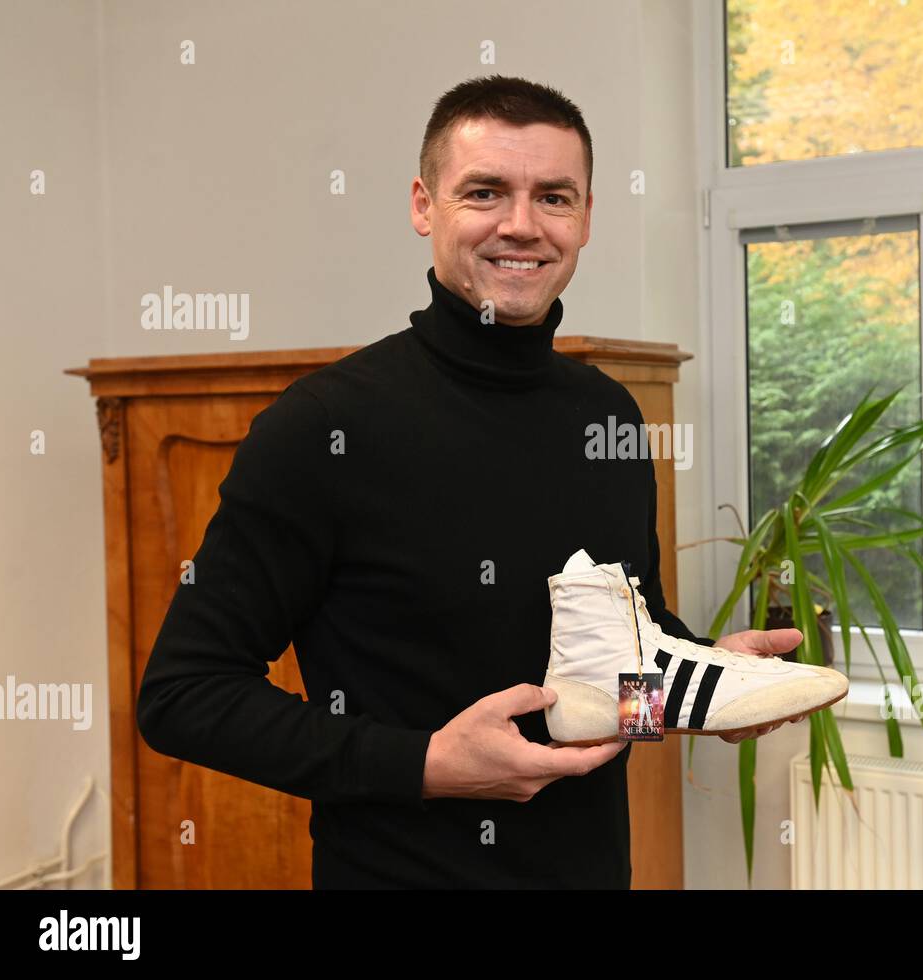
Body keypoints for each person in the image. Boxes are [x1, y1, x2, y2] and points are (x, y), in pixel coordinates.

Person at [137, 74, 801, 889]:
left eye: (553, 197)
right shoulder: (324, 428)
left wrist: (701, 683)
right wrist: (428, 762)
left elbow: (606, 673)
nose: (521, 225)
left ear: (586, 217)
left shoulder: (610, 416)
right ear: (425, 206)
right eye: (485, 191)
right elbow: (182, 695)